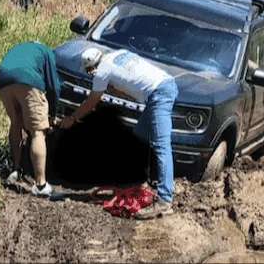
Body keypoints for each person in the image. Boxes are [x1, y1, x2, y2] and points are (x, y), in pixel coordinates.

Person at [63, 47, 178, 219]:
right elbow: (129, 86)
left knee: (162, 146)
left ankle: (164, 200)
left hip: (159, 94)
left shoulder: (102, 71)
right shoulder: (118, 54)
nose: (91, 74)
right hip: (165, 85)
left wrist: (72, 118)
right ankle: (139, 181)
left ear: (92, 67)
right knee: (139, 135)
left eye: (89, 71)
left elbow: (92, 102)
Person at [0, 40, 63, 197]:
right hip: (28, 80)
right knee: (37, 132)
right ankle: (41, 186)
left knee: (15, 123)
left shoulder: (18, 46)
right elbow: (54, 87)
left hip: (3, 80)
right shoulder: (46, 52)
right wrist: (53, 113)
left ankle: (15, 171)